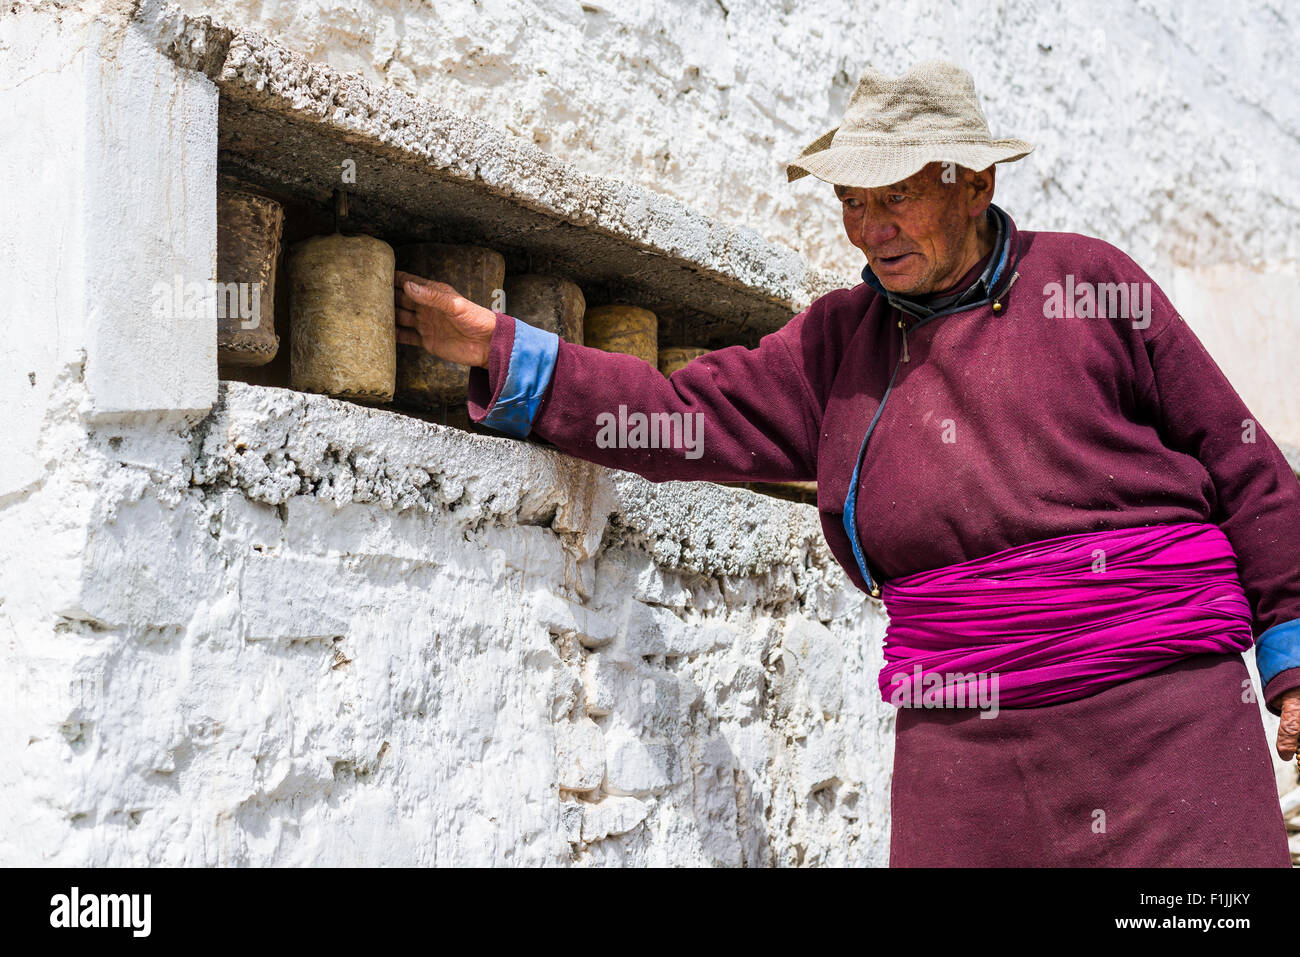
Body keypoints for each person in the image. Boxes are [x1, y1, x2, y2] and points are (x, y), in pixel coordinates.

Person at [393, 61, 1300, 866]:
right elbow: (682, 416)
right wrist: (502, 350)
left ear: (974, 183)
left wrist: (1294, 655)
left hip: (1165, 722)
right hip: (964, 739)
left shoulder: (1086, 281)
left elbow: (1246, 465)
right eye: (850, 202)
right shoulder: (839, 344)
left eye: (894, 196)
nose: (868, 228)